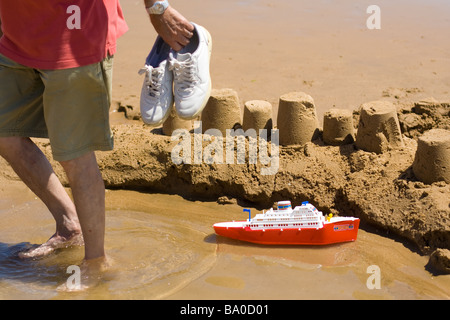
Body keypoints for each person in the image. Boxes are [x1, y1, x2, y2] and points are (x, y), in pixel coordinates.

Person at [0, 1, 193, 263]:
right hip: (15, 32)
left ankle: (96, 262)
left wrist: (157, 7)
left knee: (74, 154)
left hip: (74, 34)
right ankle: (69, 225)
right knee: (5, 134)